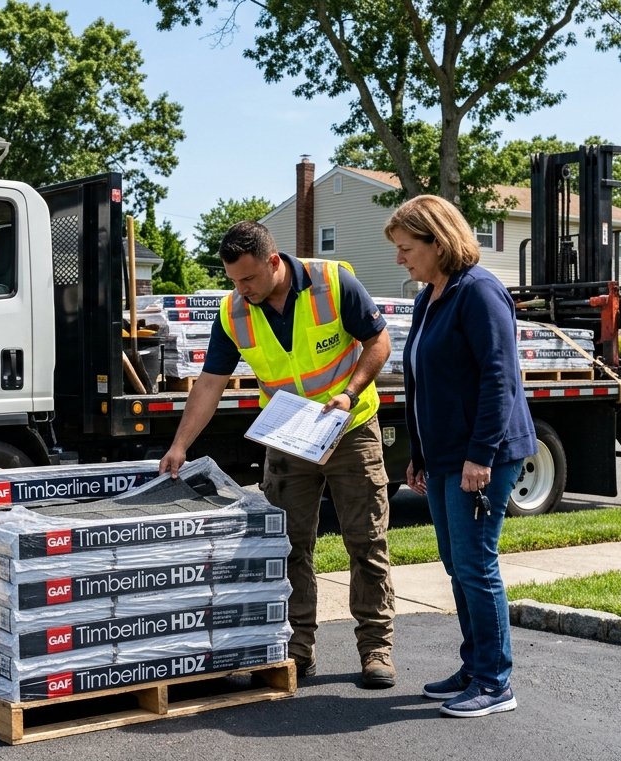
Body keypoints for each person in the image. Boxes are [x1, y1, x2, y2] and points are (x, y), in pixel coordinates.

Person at [159, 221, 398, 689]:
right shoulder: (234, 312)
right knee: (289, 546)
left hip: (350, 428)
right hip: (289, 437)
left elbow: (379, 343)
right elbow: (210, 383)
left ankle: (376, 650)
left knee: (366, 543)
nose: (240, 288)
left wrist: (349, 393)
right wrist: (180, 444)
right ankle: (295, 652)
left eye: (247, 278)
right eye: (232, 279)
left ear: (274, 262)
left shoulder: (332, 283)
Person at [386, 195, 536, 717]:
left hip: (483, 455)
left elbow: (500, 378)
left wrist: (481, 456)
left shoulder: (480, 292)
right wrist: (420, 453)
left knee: (476, 564)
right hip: (446, 455)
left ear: (437, 239)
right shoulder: (431, 296)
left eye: (407, 248)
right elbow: (423, 380)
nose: (401, 259)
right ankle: (475, 666)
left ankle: (496, 683)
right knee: (457, 565)